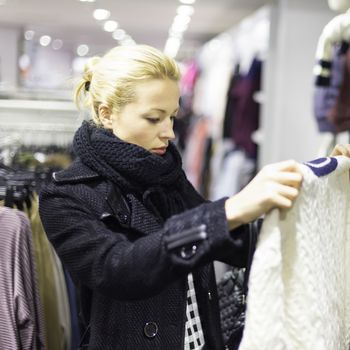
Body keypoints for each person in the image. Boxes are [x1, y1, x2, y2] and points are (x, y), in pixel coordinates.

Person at [38, 44, 350, 350]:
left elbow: (234, 247)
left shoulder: (164, 172)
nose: (170, 132)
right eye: (154, 118)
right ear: (107, 114)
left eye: (172, 117)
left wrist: (315, 185)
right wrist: (227, 211)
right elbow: (119, 269)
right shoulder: (66, 194)